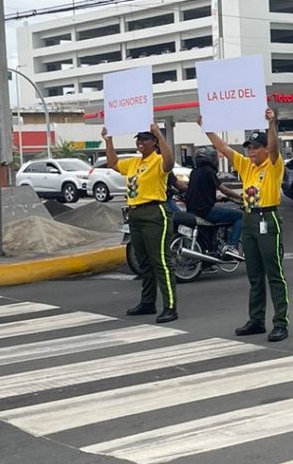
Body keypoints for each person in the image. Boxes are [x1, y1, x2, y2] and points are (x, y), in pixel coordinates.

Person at [199, 108, 289, 342]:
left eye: (255, 147)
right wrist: (207, 128)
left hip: (267, 219)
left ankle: (280, 322)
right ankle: (256, 320)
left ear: (265, 149)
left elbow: (275, 148)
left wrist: (271, 125)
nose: (250, 152)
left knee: (274, 274)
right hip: (249, 219)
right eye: (248, 148)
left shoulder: (273, 165)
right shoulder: (246, 165)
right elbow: (224, 149)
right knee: (255, 275)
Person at [102, 123, 178, 324]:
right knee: (143, 262)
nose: (140, 142)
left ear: (154, 143)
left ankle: (170, 306)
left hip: (154, 212)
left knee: (161, 261)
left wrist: (159, 134)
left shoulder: (159, 160)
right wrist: (108, 141)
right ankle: (148, 302)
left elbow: (170, 162)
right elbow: (113, 164)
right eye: (139, 139)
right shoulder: (134, 163)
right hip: (135, 213)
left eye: (145, 139)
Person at [185, 146, 244, 260]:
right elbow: (224, 189)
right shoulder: (208, 170)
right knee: (239, 216)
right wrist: (241, 198)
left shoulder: (194, 172)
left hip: (193, 211)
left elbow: (200, 193)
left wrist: (217, 199)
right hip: (206, 211)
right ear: (212, 159)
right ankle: (232, 247)